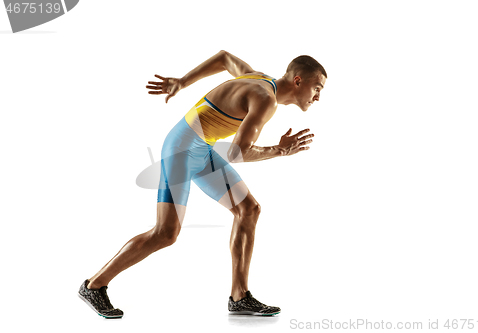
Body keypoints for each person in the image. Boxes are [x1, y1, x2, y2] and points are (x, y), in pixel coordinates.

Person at [78, 50, 327, 318]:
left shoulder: (259, 79)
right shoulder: (265, 99)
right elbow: (236, 152)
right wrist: (280, 151)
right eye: (317, 88)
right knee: (166, 234)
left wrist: (182, 82)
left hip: (202, 149)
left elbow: (224, 58)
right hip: (182, 150)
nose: (318, 97)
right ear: (298, 81)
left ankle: (240, 296)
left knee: (249, 210)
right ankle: (94, 285)